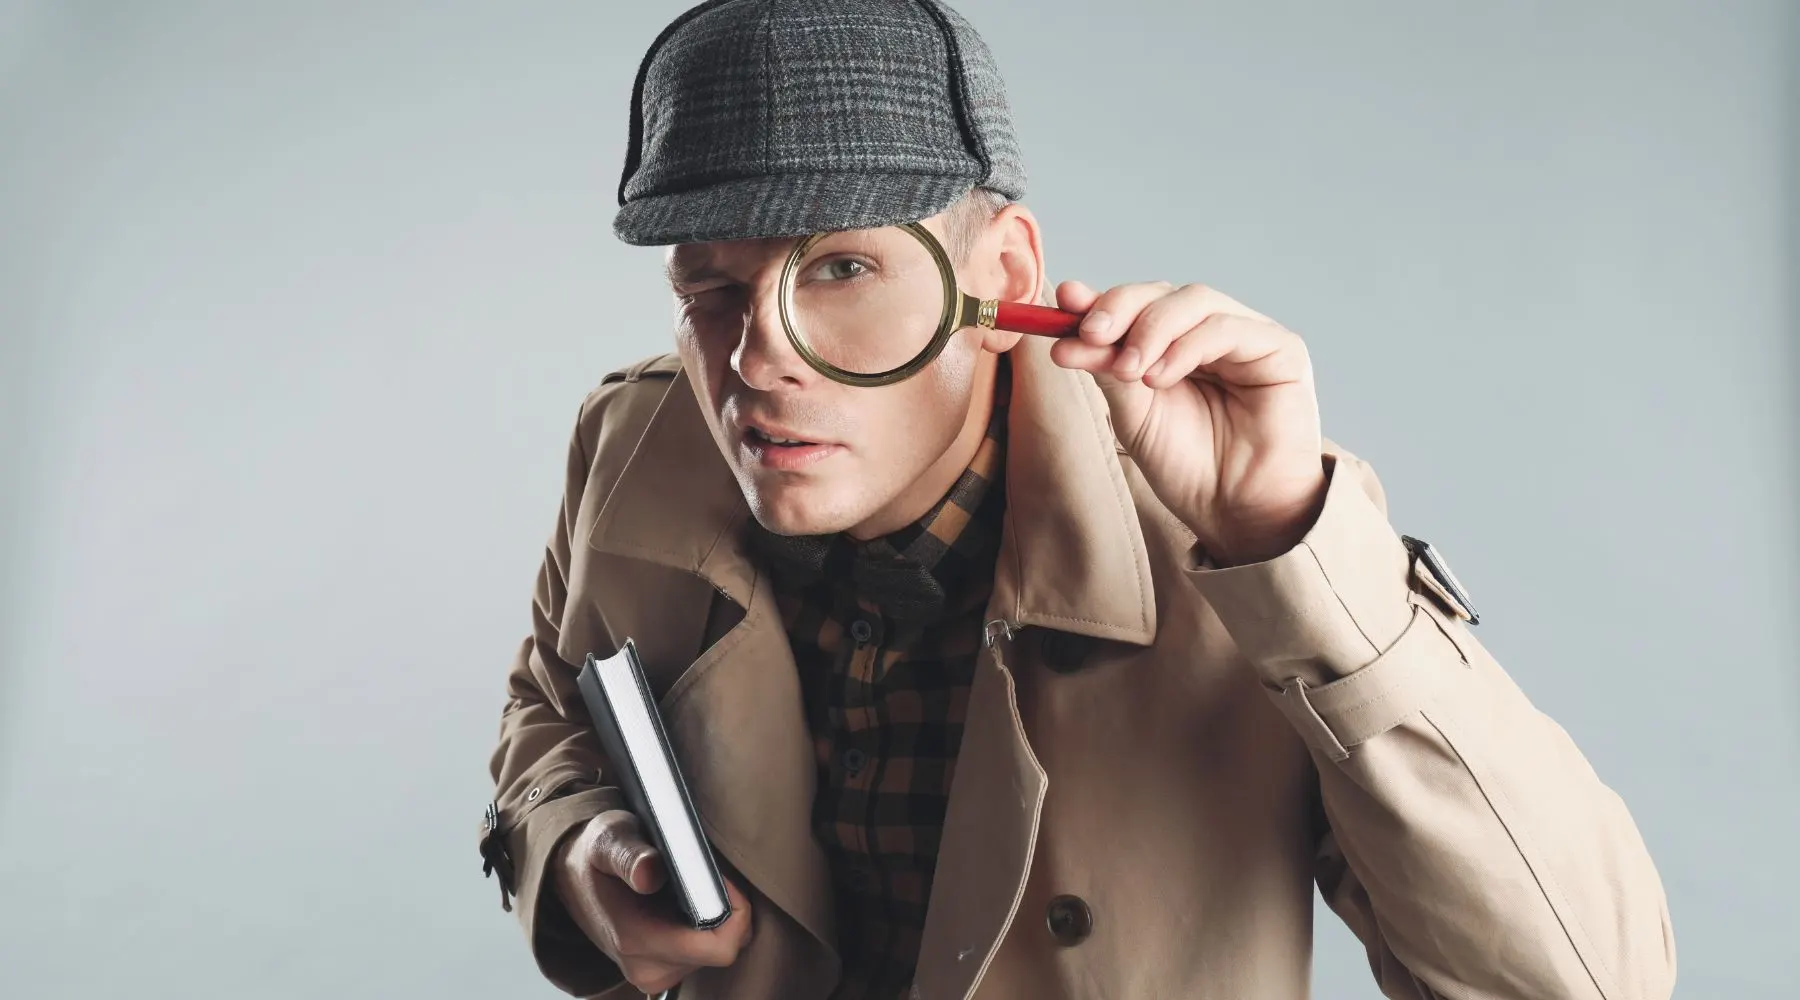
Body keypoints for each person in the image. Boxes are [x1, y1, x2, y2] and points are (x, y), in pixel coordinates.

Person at [477, 2, 1676, 998]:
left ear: (1001, 279)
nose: (756, 363)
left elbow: (1587, 978)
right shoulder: (637, 444)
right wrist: (582, 847)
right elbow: (553, 702)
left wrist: (1289, 552)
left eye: (842, 267)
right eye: (712, 289)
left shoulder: (1232, 535)